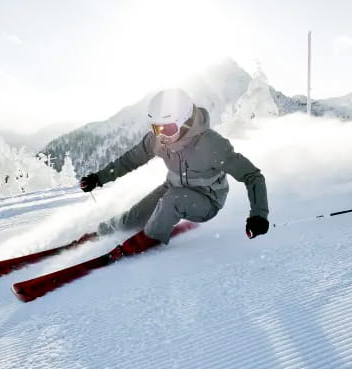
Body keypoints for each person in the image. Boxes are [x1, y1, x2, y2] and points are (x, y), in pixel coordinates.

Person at [79, 88, 269, 256]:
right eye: (156, 128)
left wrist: (258, 215)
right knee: (133, 218)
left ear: (185, 122)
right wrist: (98, 178)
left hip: (207, 200)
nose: (161, 135)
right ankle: (105, 230)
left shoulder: (211, 145)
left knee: (173, 201)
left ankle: (147, 239)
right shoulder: (157, 140)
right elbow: (130, 160)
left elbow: (252, 176)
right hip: (172, 188)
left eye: (168, 129)